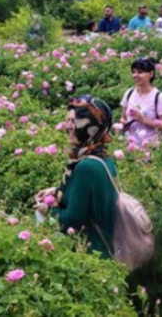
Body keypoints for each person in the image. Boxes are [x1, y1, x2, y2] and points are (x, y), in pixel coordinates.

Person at [34, 95, 118, 259]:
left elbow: (72, 220)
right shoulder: (102, 158)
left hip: (92, 253)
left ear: (92, 126)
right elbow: (86, 197)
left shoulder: (87, 167)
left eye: (74, 122)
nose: (68, 127)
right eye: (67, 121)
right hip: (108, 245)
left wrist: (47, 210)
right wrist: (56, 190)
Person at [119, 58, 162, 147]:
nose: (135, 75)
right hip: (130, 147)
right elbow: (123, 118)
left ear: (151, 74)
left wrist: (142, 119)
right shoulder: (129, 93)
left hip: (151, 147)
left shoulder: (159, 97)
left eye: (140, 72)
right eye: (133, 72)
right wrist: (123, 124)